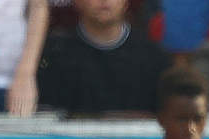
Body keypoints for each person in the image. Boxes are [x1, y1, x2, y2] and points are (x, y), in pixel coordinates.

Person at [37, 0, 169, 116]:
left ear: (125, 2)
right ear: (77, 2)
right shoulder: (54, 56)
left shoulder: (153, 57)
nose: (104, 1)